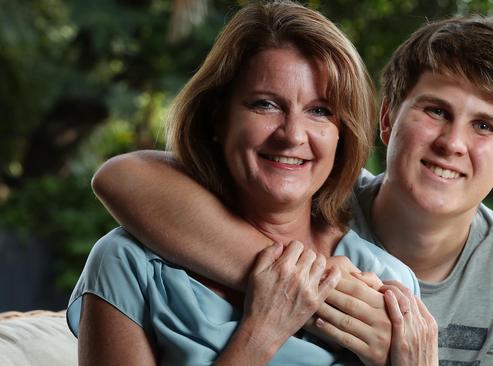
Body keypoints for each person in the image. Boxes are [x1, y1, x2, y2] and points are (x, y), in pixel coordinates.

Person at [91, 13, 493, 366]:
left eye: (484, 126)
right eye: (436, 111)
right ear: (386, 120)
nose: (452, 144)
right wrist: (306, 297)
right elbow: (120, 177)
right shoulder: (312, 195)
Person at [66, 2, 429, 365]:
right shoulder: (126, 263)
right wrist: (262, 332)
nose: (292, 135)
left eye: (319, 111)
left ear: (341, 135)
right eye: (265, 105)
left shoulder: (383, 284)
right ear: (217, 120)